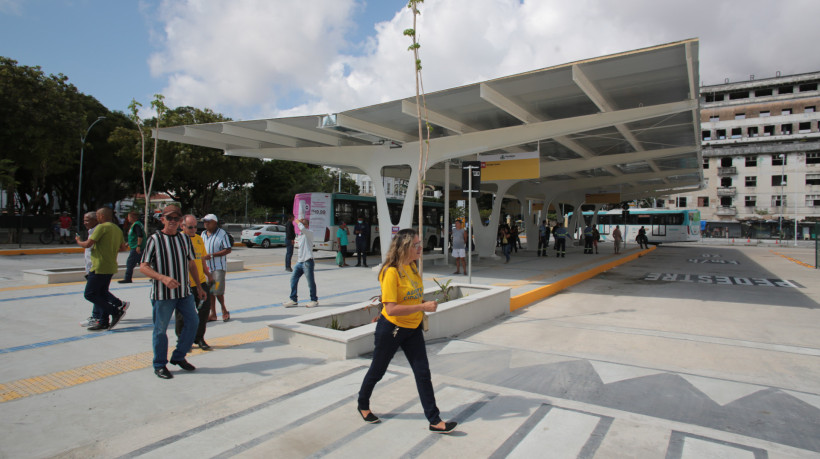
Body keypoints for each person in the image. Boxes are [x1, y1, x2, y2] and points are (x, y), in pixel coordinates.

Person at [357, 228, 458, 433]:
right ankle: (363, 403)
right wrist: (422, 307)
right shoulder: (390, 271)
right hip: (392, 328)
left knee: (423, 373)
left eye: (420, 244)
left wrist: (421, 302)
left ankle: (434, 420)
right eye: (416, 245)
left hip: (413, 328)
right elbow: (391, 308)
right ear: (405, 247)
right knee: (378, 370)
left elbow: (411, 295)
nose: (421, 248)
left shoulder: (412, 267)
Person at [140, 205, 206, 379]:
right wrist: (162, 278)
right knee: (160, 330)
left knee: (193, 322)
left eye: (177, 219)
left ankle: (179, 356)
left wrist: (198, 287)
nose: (173, 222)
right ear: (162, 219)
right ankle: (160, 364)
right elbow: (144, 267)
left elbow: (192, 263)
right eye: (170, 218)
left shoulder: (184, 240)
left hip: (184, 293)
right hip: (163, 295)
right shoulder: (155, 239)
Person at [75, 207, 129, 331]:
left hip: (99, 266)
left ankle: (115, 311)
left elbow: (88, 244)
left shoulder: (101, 227)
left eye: (98, 216)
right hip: (110, 265)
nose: (97, 218)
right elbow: (123, 248)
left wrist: (78, 241)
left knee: (90, 294)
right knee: (102, 294)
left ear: (101, 216)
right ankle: (103, 321)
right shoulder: (117, 229)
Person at [175, 214, 214, 351]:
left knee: (204, 310)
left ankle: (199, 338)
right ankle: (182, 339)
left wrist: (208, 274)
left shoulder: (198, 239)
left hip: (200, 282)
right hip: (184, 284)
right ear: (182, 226)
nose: (193, 230)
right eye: (190, 227)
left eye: (195, 227)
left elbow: (202, 259)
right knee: (182, 314)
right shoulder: (178, 240)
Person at [202, 214, 231, 322]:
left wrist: (213, 255)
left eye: (208, 221)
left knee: (217, 290)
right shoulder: (203, 234)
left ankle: (224, 309)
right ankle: (213, 313)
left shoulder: (222, 234)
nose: (206, 223)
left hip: (218, 267)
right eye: (204, 221)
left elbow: (228, 249)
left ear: (215, 222)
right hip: (207, 268)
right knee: (210, 291)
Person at [283, 218, 318, 307]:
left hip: (307, 261)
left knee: (310, 282)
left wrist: (298, 221)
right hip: (300, 262)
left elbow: (302, 228)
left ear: (306, 225)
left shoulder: (309, 233)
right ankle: (293, 299)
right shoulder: (300, 235)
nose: (299, 226)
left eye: (302, 223)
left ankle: (314, 300)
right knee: (293, 279)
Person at [118, 211, 145, 284]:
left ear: (133, 217)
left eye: (129, 217)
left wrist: (138, 246)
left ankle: (128, 278)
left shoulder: (136, 225)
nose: (128, 219)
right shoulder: (136, 225)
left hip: (136, 248)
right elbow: (134, 236)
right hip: (135, 246)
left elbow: (140, 235)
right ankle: (155, 277)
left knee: (130, 263)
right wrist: (128, 244)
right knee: (143, 263)